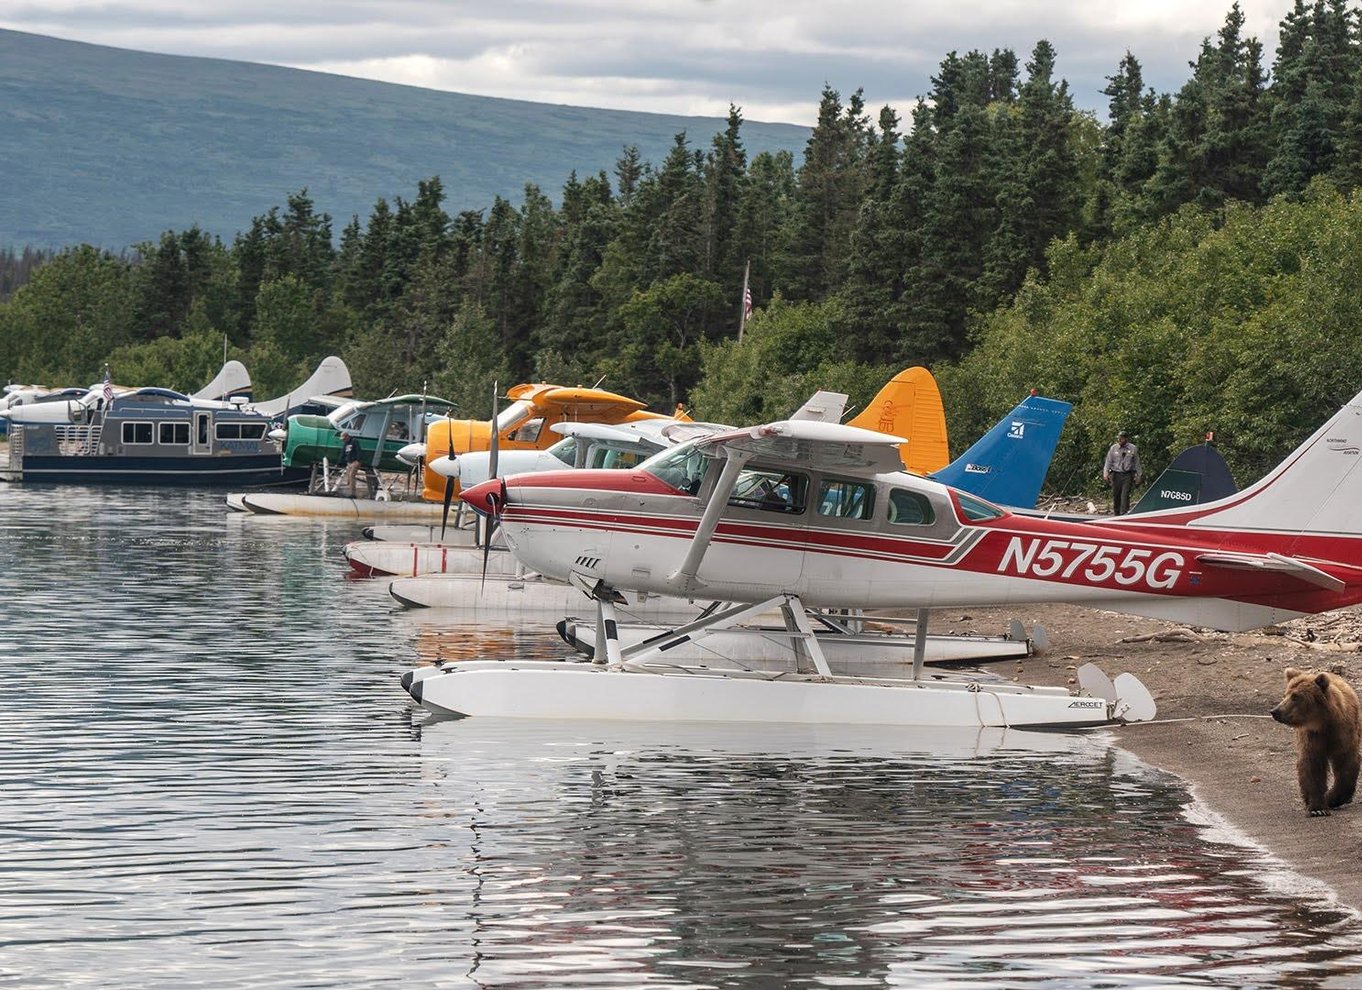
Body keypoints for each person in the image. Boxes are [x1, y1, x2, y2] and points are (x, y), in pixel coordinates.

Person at [1103, 429, 1142, 515]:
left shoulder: (1133, 448)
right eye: (1119, 438)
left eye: (1122, 438)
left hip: (1127, 474)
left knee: (1125, 494)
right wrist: (1105, 473)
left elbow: (1136, 462)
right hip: (1116, 474)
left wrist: (1139, 475)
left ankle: (1124, 513)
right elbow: (1108, 461)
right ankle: (1116, 513)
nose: (1120, 440)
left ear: (1126, 439)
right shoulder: (1113, 448)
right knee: (1116, 495)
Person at [337, 431, 377, 498]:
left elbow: (358, 451)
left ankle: (353, 494)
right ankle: (350, 492)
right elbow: (342, 453)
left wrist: (358, 460)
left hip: (355, 461)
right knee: (349, 477)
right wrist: (338, 463)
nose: (343, 440)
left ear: (347, 436)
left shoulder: (354, 441)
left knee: (351, 475)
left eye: (344, 439)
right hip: (349, 462)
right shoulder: (345, 444)